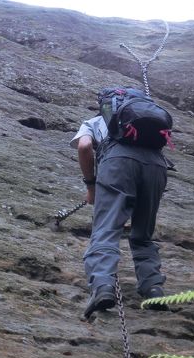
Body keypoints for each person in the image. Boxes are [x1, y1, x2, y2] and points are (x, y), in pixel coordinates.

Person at [69, 105, 170, 320]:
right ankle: (153, 289)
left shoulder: (95, 122)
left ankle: (103, 286)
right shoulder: (148, 120)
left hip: (118, 163)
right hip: (156, 166)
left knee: (106, 228)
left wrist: (91, 186)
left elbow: (85, 146)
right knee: (143, 234)